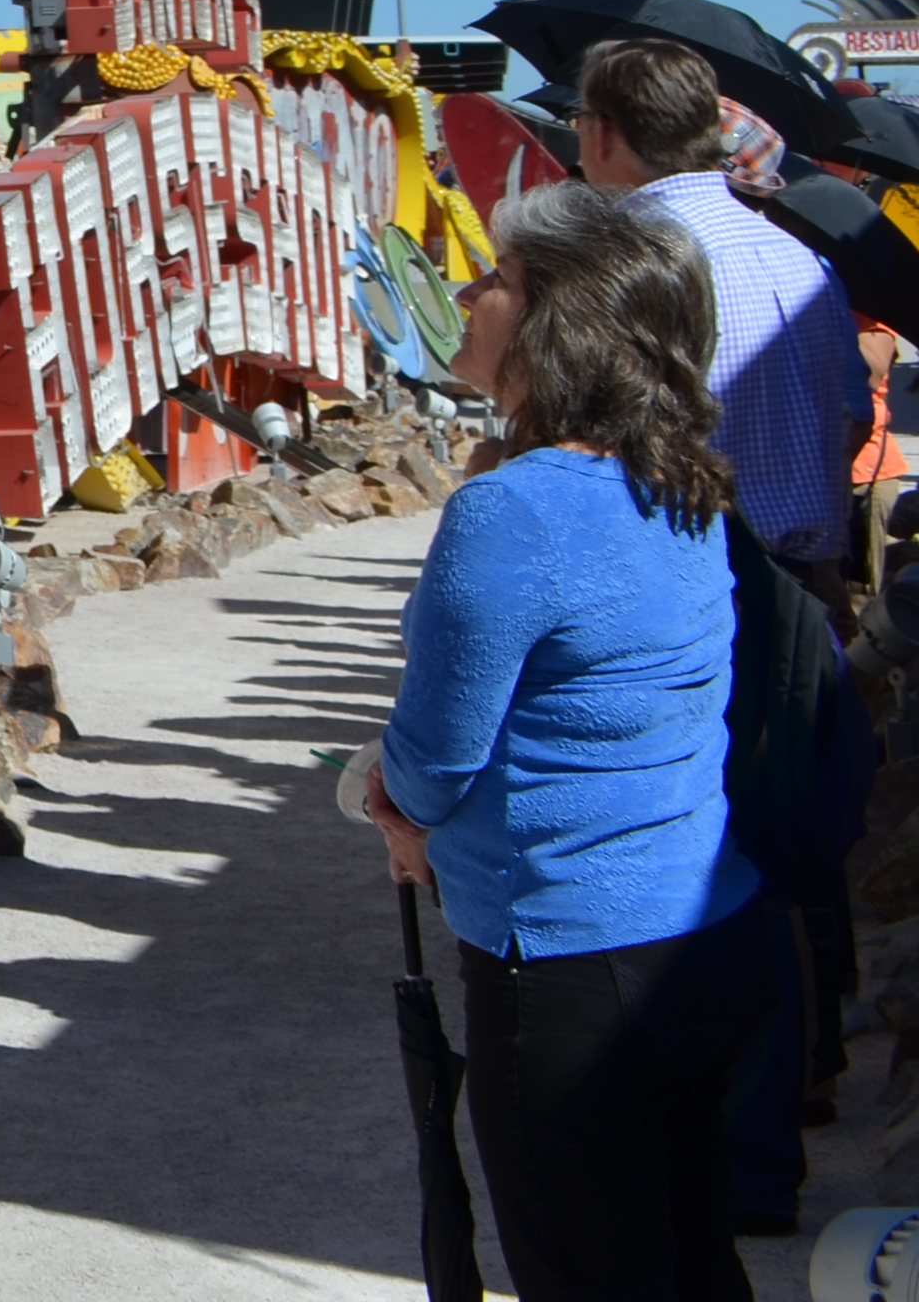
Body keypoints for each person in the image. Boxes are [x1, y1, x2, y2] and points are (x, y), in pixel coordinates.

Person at [366, 185, 778, 1301]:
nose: (464, 290)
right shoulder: (680, 477)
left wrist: (383, 797)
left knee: (587, 1271)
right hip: (700, 929)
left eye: (495, 277)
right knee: (689, 1258)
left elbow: (436, 759)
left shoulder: (513, 511)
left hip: (567, 961)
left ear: (556, 322)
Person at [578, 36, 862, 580]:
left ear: (606, 131)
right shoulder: (804, 259)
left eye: (580, 120)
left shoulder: (624, 257)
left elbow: (588, 441)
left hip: (684, 574)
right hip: (803, 579)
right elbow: (851, 417)